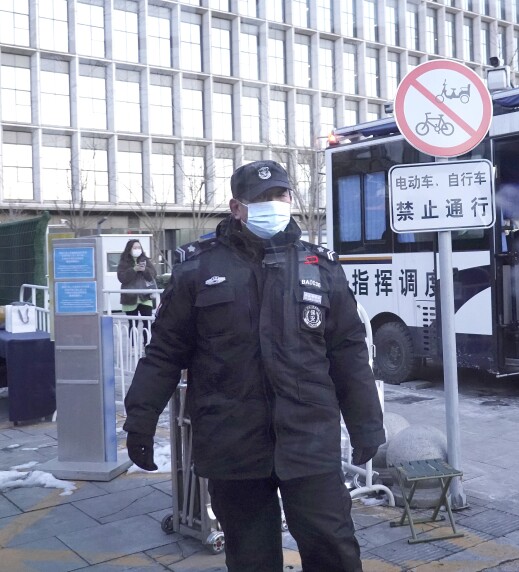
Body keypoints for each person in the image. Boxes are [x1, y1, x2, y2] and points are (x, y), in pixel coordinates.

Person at [123, 160, 385, 572]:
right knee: (250, 559)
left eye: (280, 195)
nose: (274, 204)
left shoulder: (321, 267)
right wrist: (140, 418)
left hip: (308, 441)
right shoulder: (198, 268)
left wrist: (367, 425)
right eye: (261, 198)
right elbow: (165, 351)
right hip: (233, 444)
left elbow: (349, 352)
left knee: (334, 550)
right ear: (236, 207)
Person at [117, 240, 157, 345]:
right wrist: (133, 269)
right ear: (129, 249)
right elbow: (122, 278)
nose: (137, 250)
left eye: (139, 247)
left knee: (147, 323)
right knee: (132, 323)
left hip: (145, 296)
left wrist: (145, 270)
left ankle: (147, 345)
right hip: (130, 298)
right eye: (134, 248)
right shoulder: (124, 262)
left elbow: (153, 275)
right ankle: (133, 346)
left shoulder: (145, 260)